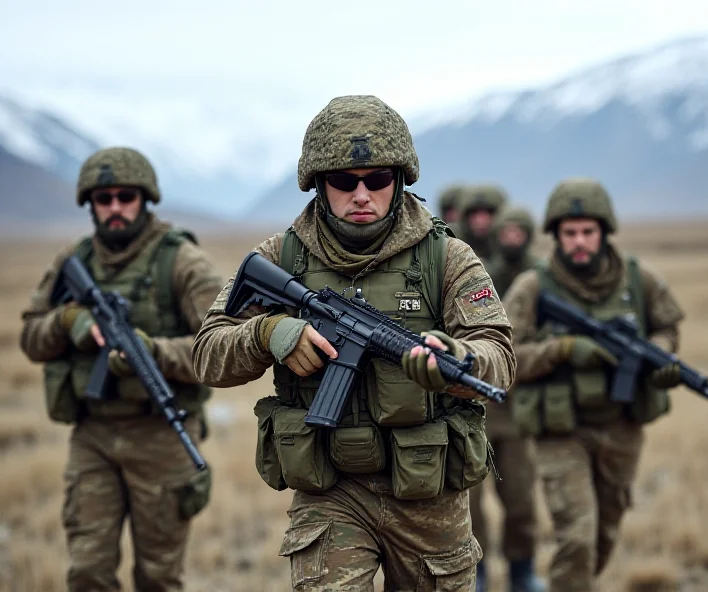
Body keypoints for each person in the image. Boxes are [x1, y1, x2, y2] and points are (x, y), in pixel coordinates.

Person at [192, 95, 516, 591]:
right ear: (320, 185)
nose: (361, 194)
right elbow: (208, 353)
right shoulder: (280, 257)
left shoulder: (447, 257)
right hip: (330, 489)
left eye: (378, 180)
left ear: (400, 180)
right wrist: (270, 333)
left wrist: (459, 358)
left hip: (428, 489)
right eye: (344, 181)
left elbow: (497, 353)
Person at [19, 147, 224, 592]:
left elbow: (222, 348)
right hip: (93, 436)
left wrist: (151, 352)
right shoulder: (74, 261)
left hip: (163, 439)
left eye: (125, 196)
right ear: (89, 203)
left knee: (158, 578)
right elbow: (31, 337)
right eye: (104, 197)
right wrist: (69, 321)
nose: (115, 207)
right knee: (87, 572)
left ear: (145, 198)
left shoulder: (181, 260)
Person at [502, 178, 685, 591]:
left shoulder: (639, 280)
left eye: (588, 232)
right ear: (555, 236)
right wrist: (563, 350)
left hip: (621, 426)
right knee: (578, 536)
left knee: (603, 538)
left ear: (604, 232)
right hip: (561, 431)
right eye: (569, 233)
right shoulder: (533, 288)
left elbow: (668, 328)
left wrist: (658, 356)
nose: (579, 241)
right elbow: (505, 357)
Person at [471, 204, 546, 592]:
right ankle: (477, 574)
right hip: (477, 407)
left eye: (521, 231)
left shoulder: (542, 277)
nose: (513, 238)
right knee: (470, 505)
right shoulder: (479, 274)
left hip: (517, 410)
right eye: (508, 231)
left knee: (520, 497)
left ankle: (522, 571)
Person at [459, 185, 508, 262]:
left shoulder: (510, 248)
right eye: (474, 214)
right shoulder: (455, 242)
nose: (480, 221)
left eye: (487, 213)